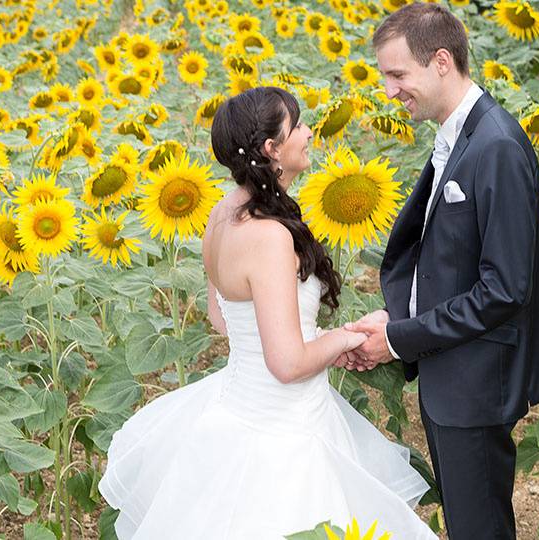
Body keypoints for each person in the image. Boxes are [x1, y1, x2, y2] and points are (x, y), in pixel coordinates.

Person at [98, 86, 439, 540]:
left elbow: (222, 317)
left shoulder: (222, 215)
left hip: (239, 404)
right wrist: (343, 338)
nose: (310, 132)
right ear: (271, 149)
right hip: (282, 428)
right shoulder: (270, 235)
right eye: (297, 125)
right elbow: (286, 363)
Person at [343, 3, 539, 539]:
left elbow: (504, 289)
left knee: (479, 529)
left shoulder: (497, 147)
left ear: (441, 61)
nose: (389, 90)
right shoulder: (458, 134)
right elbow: (449, 259)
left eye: (398, 75)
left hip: (476, 385)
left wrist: (399, 340)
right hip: (451, 376)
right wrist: (400, 315)